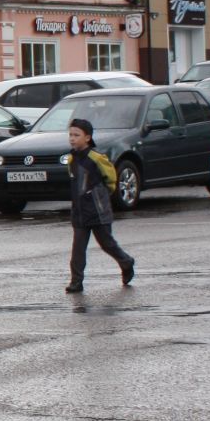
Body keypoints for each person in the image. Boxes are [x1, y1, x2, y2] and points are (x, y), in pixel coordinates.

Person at [63, 118, 135, 293]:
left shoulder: (96, 158)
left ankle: (126, 262)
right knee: (78, 249)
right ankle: (76, 282)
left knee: (107, 243)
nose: (72, 138)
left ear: (87, 137)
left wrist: (101, 195)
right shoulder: (71, 159)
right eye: (70, 135)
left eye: (76, 135)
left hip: (97, 209)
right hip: (79, 211)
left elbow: (110, 179)